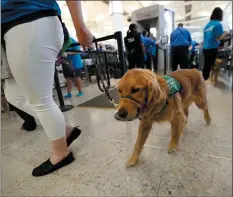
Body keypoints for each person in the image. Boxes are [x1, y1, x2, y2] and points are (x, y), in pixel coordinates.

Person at [1, 0, 93, 176]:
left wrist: (80, 26)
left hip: (30, 19)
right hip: (8, 29)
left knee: (40, 99)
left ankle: (61, 153)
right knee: (15, 96)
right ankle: (65, 130)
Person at [202, 7, 228, 80]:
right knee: (209, 67)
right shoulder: (218, 24)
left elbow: (211, 37)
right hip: (212, 49)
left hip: (205, 48)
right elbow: (218, 38)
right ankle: (202, 84)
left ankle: (202, 81)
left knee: (206, 66)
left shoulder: (208, 25)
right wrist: (225, 33)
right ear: (220, 15)